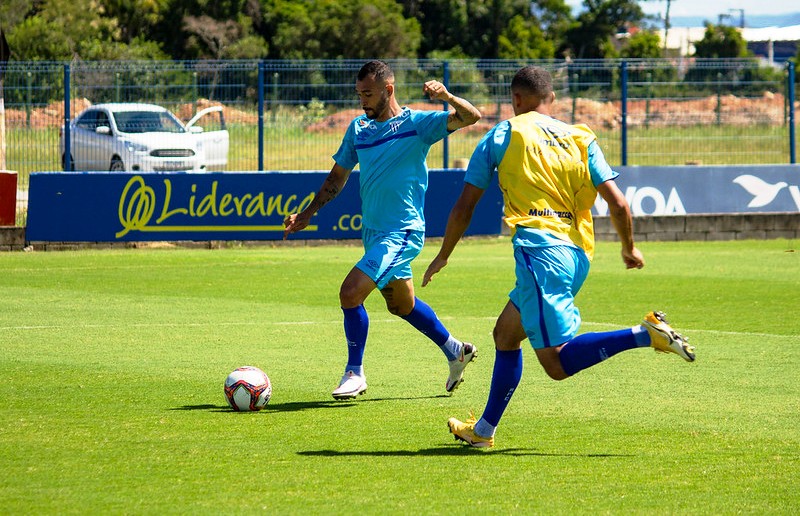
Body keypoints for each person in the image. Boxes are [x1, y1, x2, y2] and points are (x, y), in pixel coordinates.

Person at [422, 65, 696, 448]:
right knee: (505, 334)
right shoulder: (581, 136)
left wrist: (444, 254)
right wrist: (628, 247)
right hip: (577, 254)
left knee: (556, 364)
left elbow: (465, 206)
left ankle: (643, 335)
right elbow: (618, 203)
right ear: (551, 99)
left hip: (540, 253)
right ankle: (483, 432)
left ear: (516, 100)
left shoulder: (504, 133)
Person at [284, 60, 482, 400]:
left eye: (369, 94)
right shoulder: (358, 129)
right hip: (374, 234)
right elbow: (337, 179)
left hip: (403, 232)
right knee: (401, 305)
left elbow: (471, 117)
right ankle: (455, 351)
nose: (363, 101)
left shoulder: (417, 124)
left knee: (350, 293)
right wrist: (307, 213)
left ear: (388, 90)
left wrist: (447, 95)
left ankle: (354, 372)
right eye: (359, 94)